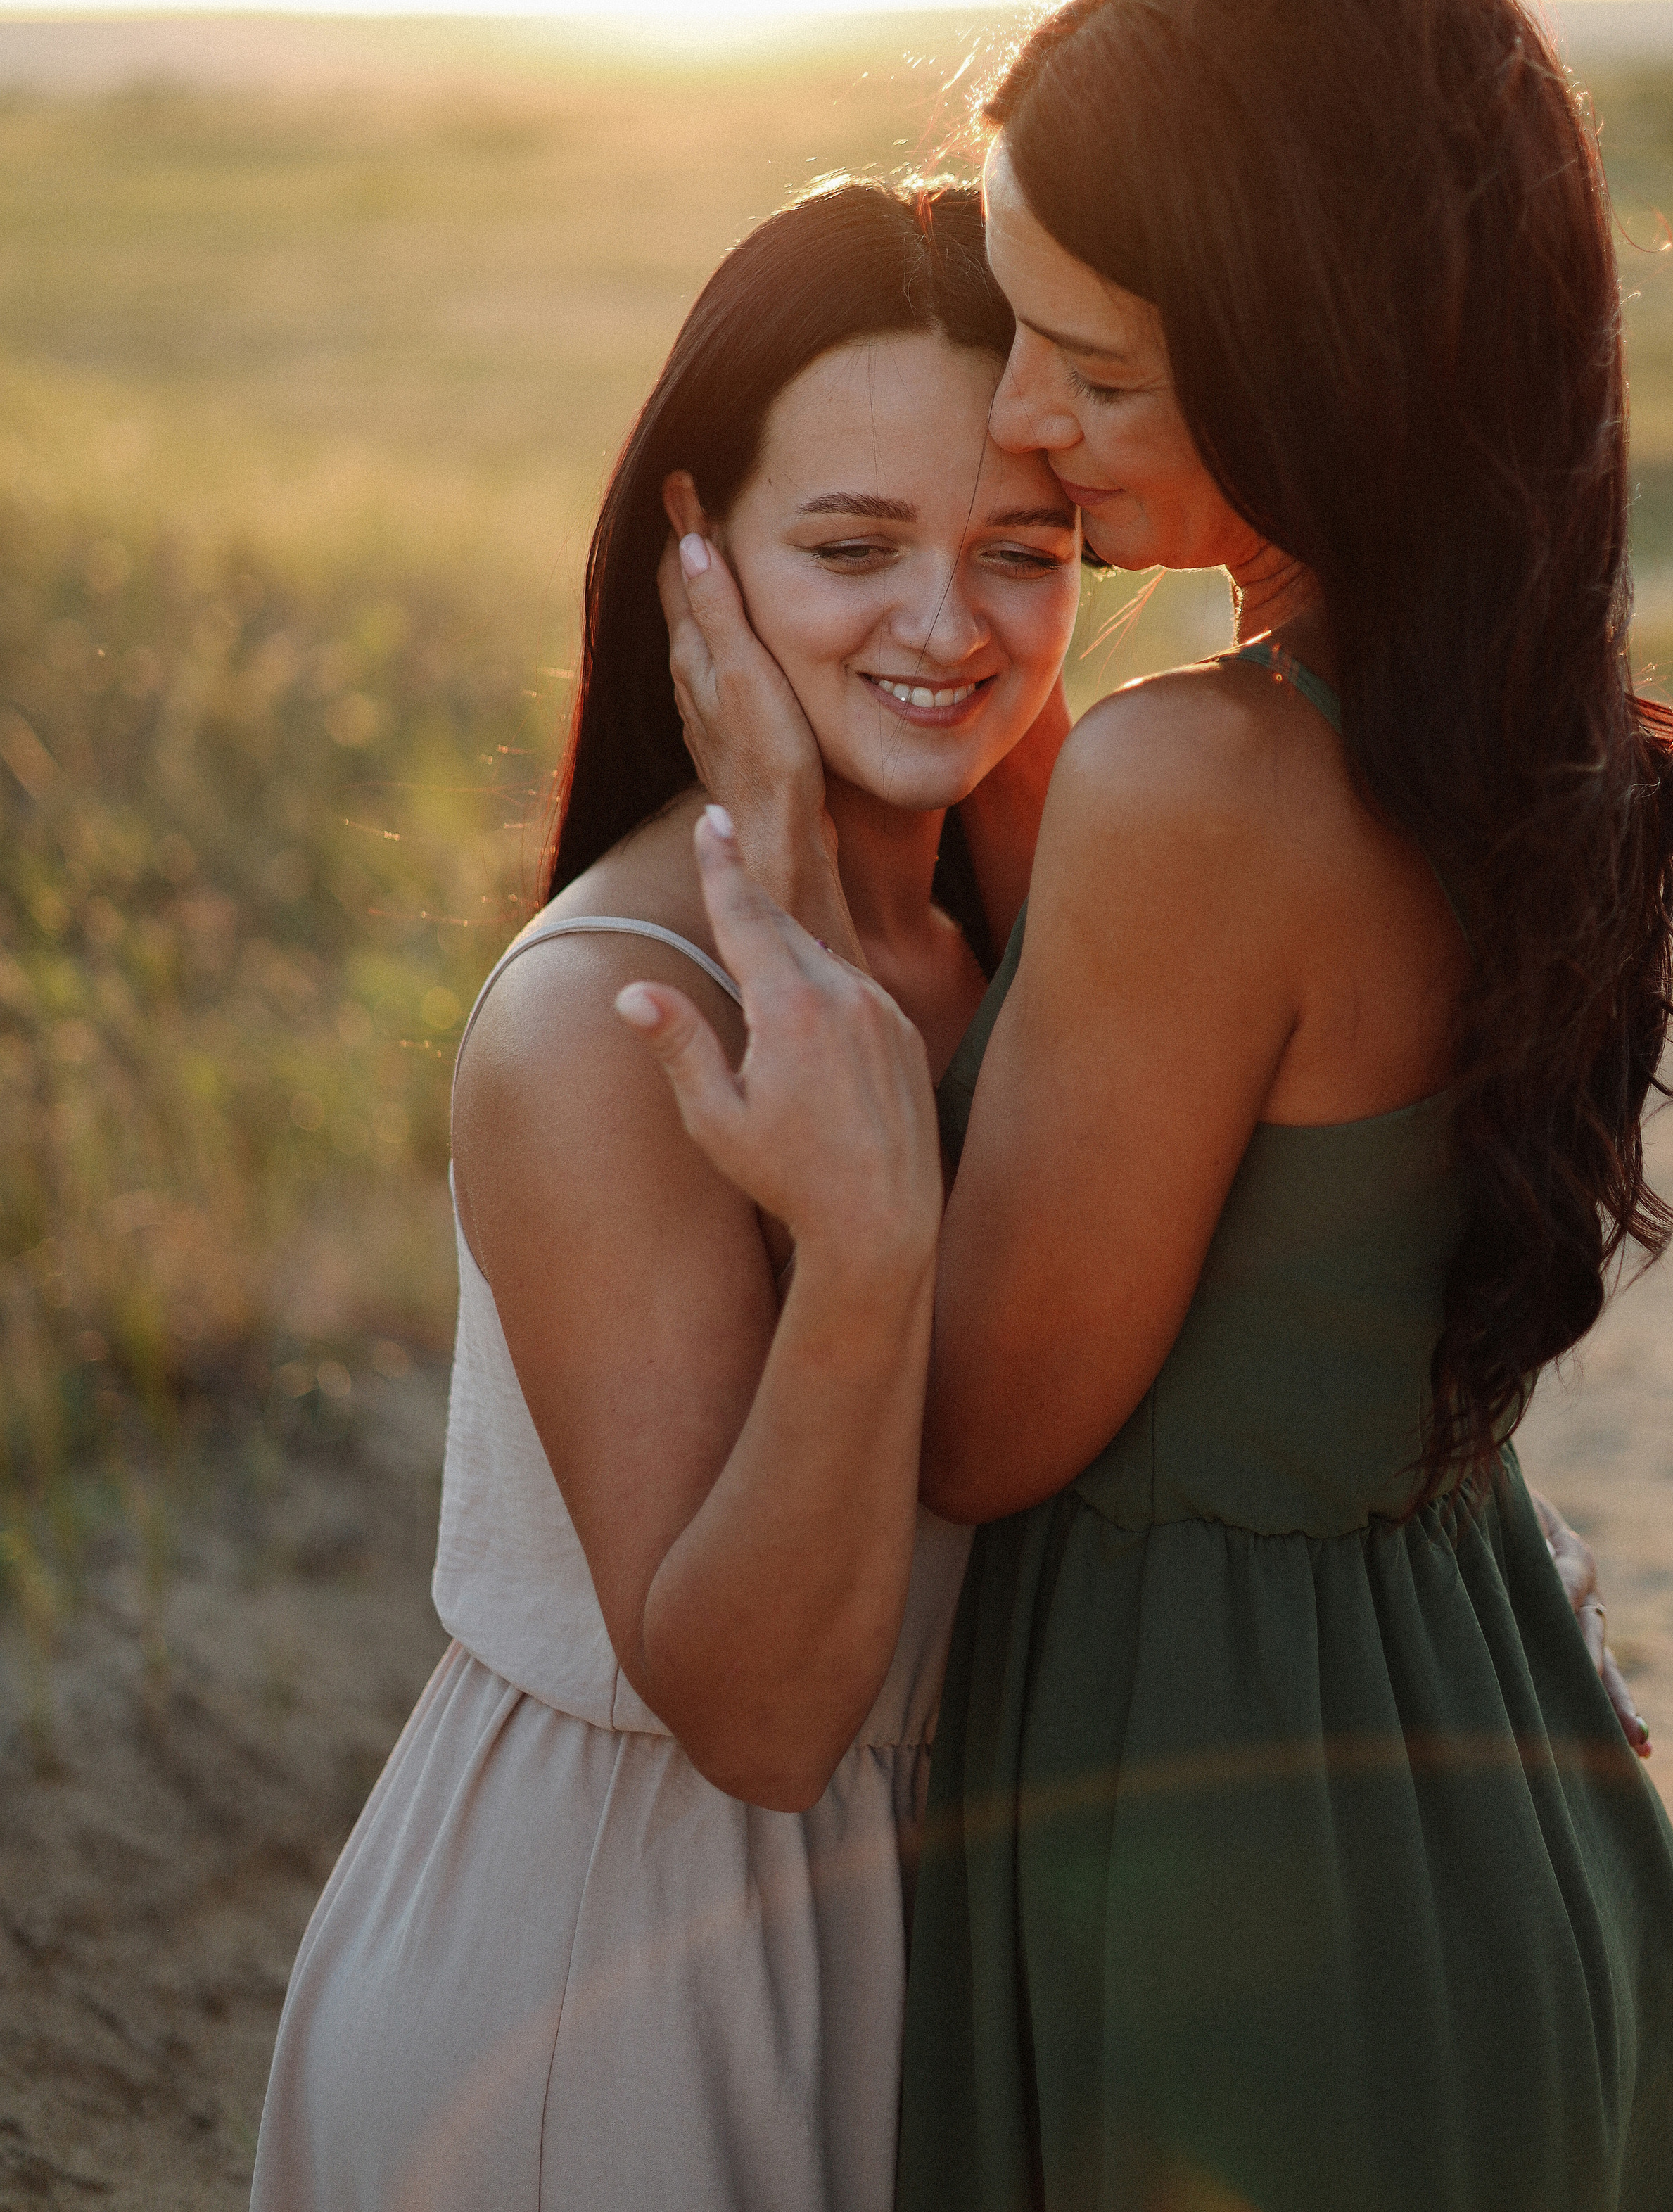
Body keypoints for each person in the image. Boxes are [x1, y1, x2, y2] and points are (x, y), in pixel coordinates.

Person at [639, 0, 1673, 2209]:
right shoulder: (1533, 741)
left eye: (1097, 373)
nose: (1025, 425)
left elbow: (987, 1424)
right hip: (1496, 1762)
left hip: (1239, 1867)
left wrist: (809, 898)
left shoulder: (1194, 785)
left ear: (1320, 351)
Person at [248, 178, 1086, 2212]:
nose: (949, 625)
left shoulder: (1015, 930)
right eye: (852, 548)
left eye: (1024, 553)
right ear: (693, 548)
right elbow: (762, 1714)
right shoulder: (603, 1026)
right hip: (615, 1987)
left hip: (922, 1949)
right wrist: (869, 1235)